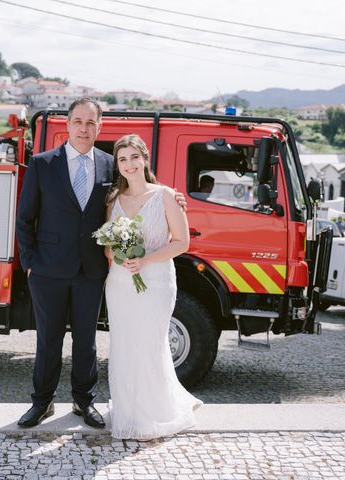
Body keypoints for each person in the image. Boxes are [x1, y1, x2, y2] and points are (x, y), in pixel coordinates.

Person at [15, 98, 186, 429]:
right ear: (67, 124)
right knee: (48, 339)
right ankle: (42, 402)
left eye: (91, 123)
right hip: (47, 270)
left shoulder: (111, 164)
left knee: (86, 340)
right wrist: (30, 263)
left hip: (92, 270)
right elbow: (25, 218)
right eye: (78, 121)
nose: (84, 128)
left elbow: (141, 191)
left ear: (99, 127)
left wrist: (175, 197)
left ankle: (84, 401)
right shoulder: (42, 163)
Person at [105, 134, 202, 440]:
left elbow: (182, 242)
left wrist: (145, 258)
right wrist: (119, 255)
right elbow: (108, 247)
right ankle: (127, 411)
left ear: (145, 159)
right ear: (117, 165)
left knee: (149, 343)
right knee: (123, 345)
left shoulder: (166, 197)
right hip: (121, 283)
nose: (130, 164)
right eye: (123, 159)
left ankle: (152, 414)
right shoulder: (113, 201)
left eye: (135, 157)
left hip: (157, 281)